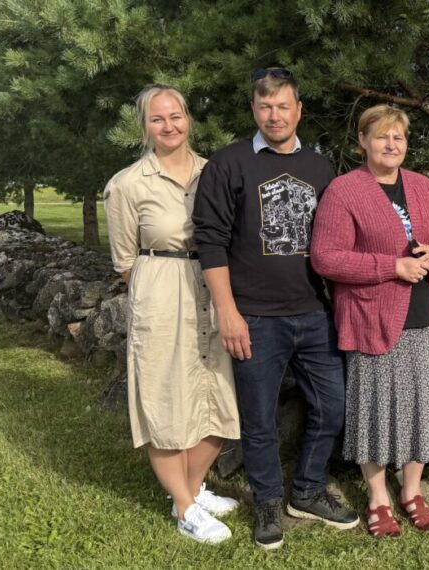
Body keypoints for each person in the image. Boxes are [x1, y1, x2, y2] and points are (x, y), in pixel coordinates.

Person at [192, 68, 359, 551]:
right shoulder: (229, 164)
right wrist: (227, 310)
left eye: (283, 106)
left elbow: (342, 237)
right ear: (254, 110)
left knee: (333, 406)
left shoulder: (321, 168)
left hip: (313, 312)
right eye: (265, 106)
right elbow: (211, 240)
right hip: (255, 318)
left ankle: (306, 491)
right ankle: (267, 501)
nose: (275, 115)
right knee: (259, 419)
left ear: (298, 110)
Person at [310, 104, 429, 537]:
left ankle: (412, 489)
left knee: (421, 409)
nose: (391, 145)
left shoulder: (424, 186)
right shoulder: (344, 191)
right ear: (363, 142)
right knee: (372, 410)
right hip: (371, 318)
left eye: (399, 138)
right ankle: (378, 496)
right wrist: (391, 267)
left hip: (424, 319)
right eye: (381, 137)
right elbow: (326, 258)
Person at [103, 83, 241, 544]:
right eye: (157, 118)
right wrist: (157, 298)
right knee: (163, 400)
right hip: (161, 293)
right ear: (144, 126)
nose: (169, 126)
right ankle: (184, 508)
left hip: (213, 285)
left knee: (217, 396)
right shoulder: (127, 184)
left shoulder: (216, 171)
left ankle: (193, 487)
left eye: (176, 116)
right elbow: (125, 260)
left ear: (189, 119)